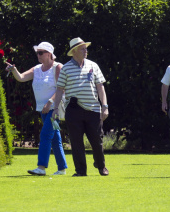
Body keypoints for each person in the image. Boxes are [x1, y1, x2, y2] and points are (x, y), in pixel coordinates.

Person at [6, 42, 68, 176]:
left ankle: (41, 167)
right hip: (43, 110)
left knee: (45, 135)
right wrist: (13, 70)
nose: (38, 55)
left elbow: (61, 88)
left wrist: (50, 102)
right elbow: (21, 78)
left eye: (41, 52)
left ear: (49, 54)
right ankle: (62, 168)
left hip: (54, 108)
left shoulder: (58, 67)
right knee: (55, 138)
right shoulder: (37, 69)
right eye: (37, 53)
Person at [52, 37, 110, 177]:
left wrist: (105, 106)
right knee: (76, 143)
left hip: (93, 109)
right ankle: (80, 171)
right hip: (74, 109)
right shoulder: (65, 68)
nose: (86, 51)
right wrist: (55, 109)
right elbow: (59, 90)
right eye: (83, 48)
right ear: (75, 51)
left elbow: (100, 87)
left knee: (97, 140)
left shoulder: (93, 65)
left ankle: (101, 166)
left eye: (86, 48)